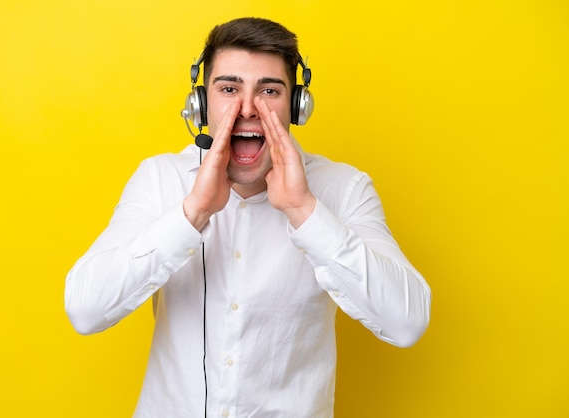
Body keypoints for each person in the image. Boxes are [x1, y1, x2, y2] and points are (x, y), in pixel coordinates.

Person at [65, 17, 431, 418]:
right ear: (201, 104)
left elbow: (407, 323)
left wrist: (304, 212)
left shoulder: (344, 189)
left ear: (297, 106)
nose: (247, 108)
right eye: (228, 88)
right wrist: (192, 214)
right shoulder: (159, 180)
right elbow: (85, 311)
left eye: (269, 90)